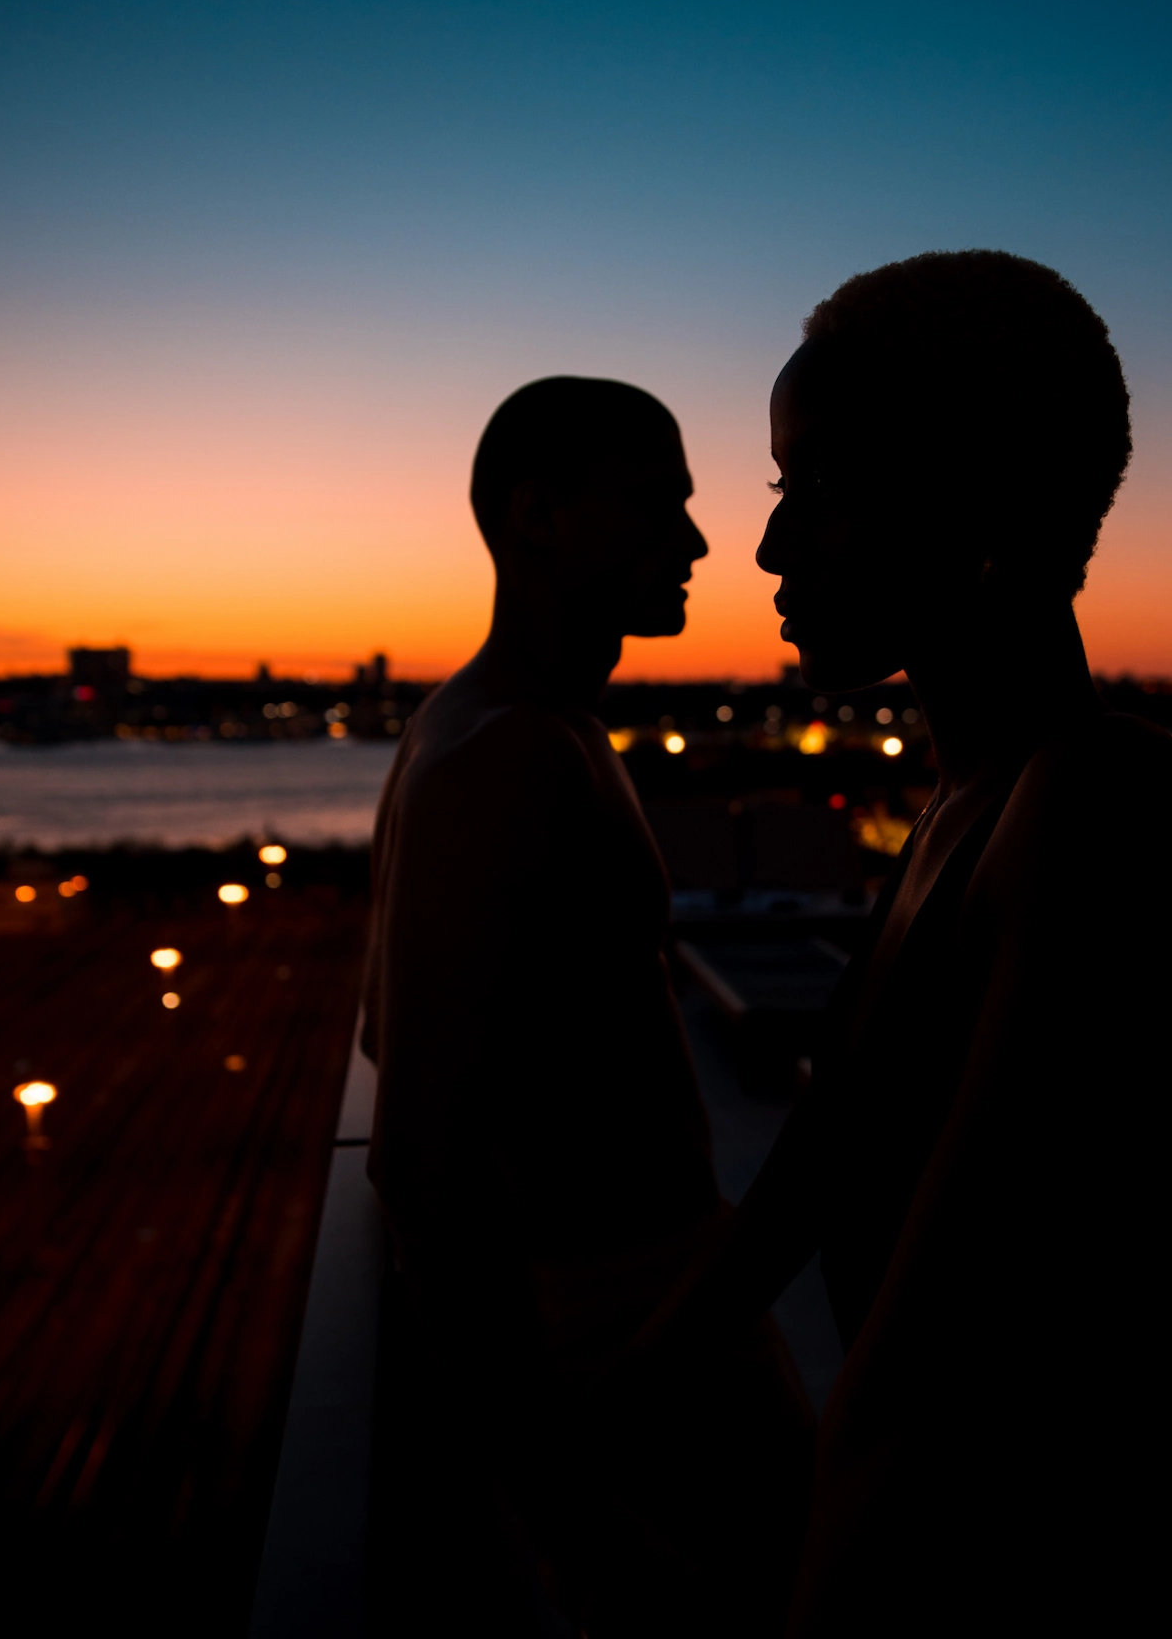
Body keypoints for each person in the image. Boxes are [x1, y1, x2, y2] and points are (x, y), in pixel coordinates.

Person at [622, 253, 1172, 1635]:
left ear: (981, 506)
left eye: (816, 491)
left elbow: (941, 1351)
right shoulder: (973, 796)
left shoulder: (1088, 807)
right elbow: (824, 1160)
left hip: (1037, 1558)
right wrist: (620, 1388)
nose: (772, 551)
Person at [359, 376, 813, 1637]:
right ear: (535, 515)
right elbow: (418, 1153)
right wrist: (573, 1517)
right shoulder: (502, 755)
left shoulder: (507, 730)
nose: (695, 541)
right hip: (622, 1331)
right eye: (650, 503)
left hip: (655, 1302)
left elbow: (387, 1033)